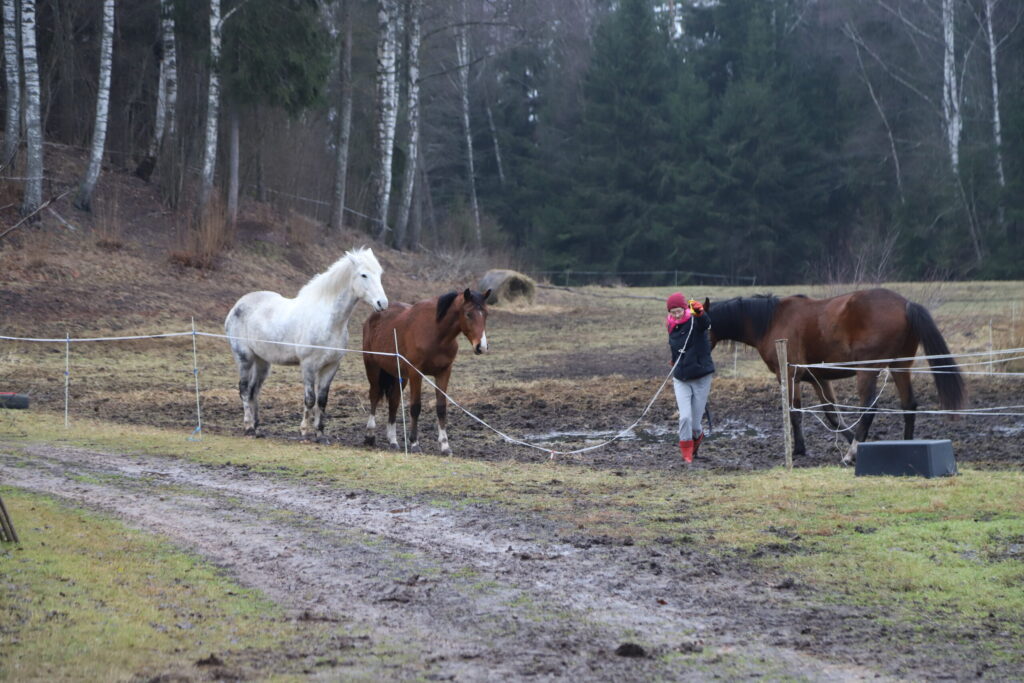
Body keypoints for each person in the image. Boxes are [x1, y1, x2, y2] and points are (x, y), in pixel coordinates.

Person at [665, 292, 715, 463]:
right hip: (681, 378)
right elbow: (674, 348)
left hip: (701, 377)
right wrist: (673, 362)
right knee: (684, 417)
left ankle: (697, 436)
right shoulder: (671, 326)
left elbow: (706, 324)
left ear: (685, 308)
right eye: (673, 312)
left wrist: (700, 313)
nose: (676, 315)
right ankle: (686, 451)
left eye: (679, 311)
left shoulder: (695, 321)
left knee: (694, 424)